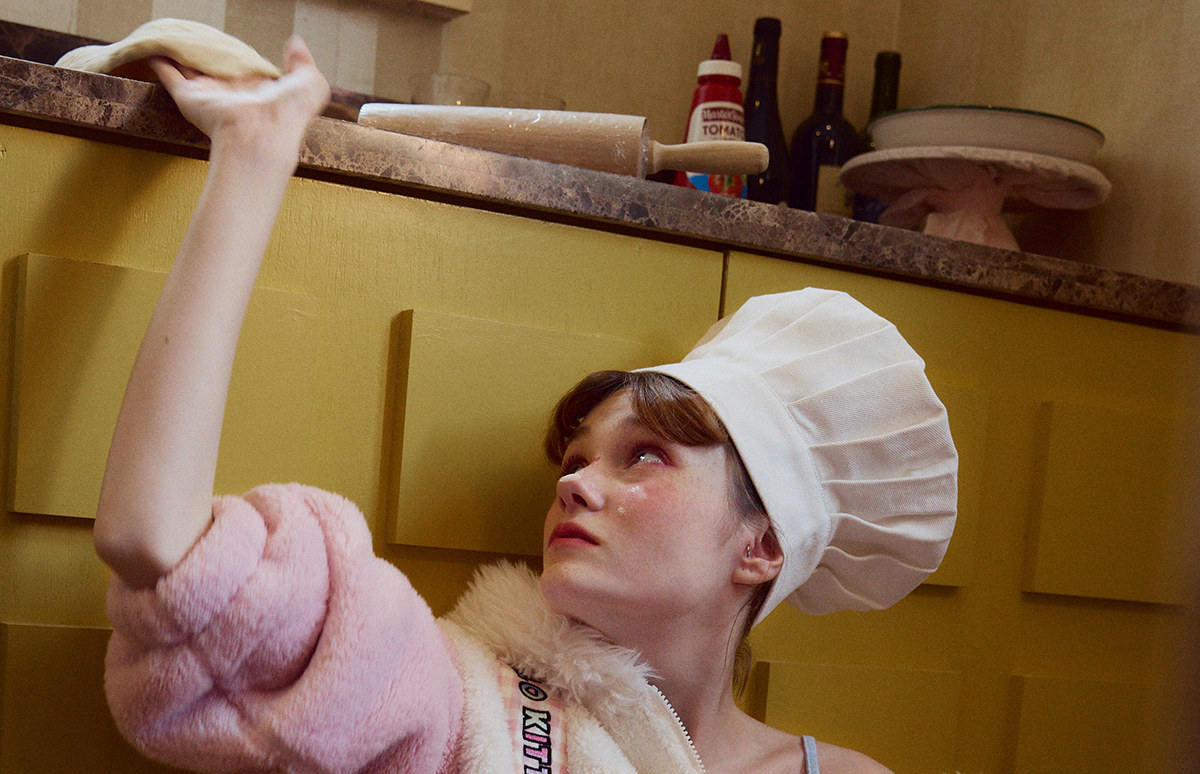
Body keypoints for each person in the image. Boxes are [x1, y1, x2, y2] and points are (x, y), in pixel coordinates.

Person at [93, 37, 957, 774]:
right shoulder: (460, 703)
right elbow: (158, 546)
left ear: (762, 545)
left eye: (644, 455)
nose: (573, 485)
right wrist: (254, 155)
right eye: (575, 460)